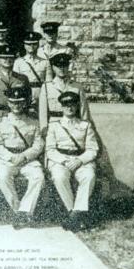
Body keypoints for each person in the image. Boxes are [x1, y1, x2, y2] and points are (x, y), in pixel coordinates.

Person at [0, 86, 45, 229]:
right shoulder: (1, 122)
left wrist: (25, 156)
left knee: (38, 177)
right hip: (7, 159)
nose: (16, 106)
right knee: (2, 178)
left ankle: (25, 210)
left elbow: (38, 145)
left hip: (27, 159)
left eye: (20, 102)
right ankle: (18, 211)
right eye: (13, 102)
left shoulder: (33, 122)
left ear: (24, 103)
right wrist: (10, 157)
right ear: (9, 103)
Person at [45, 91, 99, 231]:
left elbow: (93, 149)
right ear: (61, 107)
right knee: (59, 176)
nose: (69, 108)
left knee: (89, 176)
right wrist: (64, 161)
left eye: (72, 105)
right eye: (66, 105)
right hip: (60, 160)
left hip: (81, 160)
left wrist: (80, 160)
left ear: (77, 106)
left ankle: (74, 215)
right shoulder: (54, 125)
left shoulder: (85, 125)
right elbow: (50, 150)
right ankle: (74, 213)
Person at [0, 44, 29, 133]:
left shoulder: (22, 79)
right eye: (4, 58)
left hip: (18, 115)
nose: (8, 60)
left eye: (10, 57)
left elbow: (28, 98)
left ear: (14, 59)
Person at [38, 53, 89, 134]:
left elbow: (84, 111)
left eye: (64, 65)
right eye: (58, 66)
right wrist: (44, 130)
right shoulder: (46, 87)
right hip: (53, 126)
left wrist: (84, 128)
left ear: (68, 66)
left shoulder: (77, 87)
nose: (62, 69)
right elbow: (43, 113)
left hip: (73, 125)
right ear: (53, 67)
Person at [13, 31, 53, 113]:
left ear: (38, 45)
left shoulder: (45, 62)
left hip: (41, 94)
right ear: (24, 45)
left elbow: (49, 83)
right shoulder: (18, 62)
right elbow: (16, 83)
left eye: (34, 44)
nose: (31, 46)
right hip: (24, 95)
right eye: (28, 44)